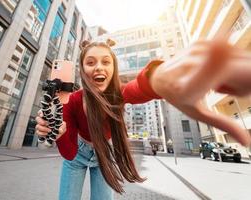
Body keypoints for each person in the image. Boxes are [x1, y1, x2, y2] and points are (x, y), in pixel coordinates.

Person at [35, 39, 251, 200]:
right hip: (78, 155)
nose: (99, 67)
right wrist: (60, 134)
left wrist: (157, 79)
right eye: (90, 62)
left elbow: (136, 89)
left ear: (113, 68)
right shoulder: (71, 100)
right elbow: (69, 152)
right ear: (82, 69)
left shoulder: (118, 94)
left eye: (106, 62)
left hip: (104, 156)